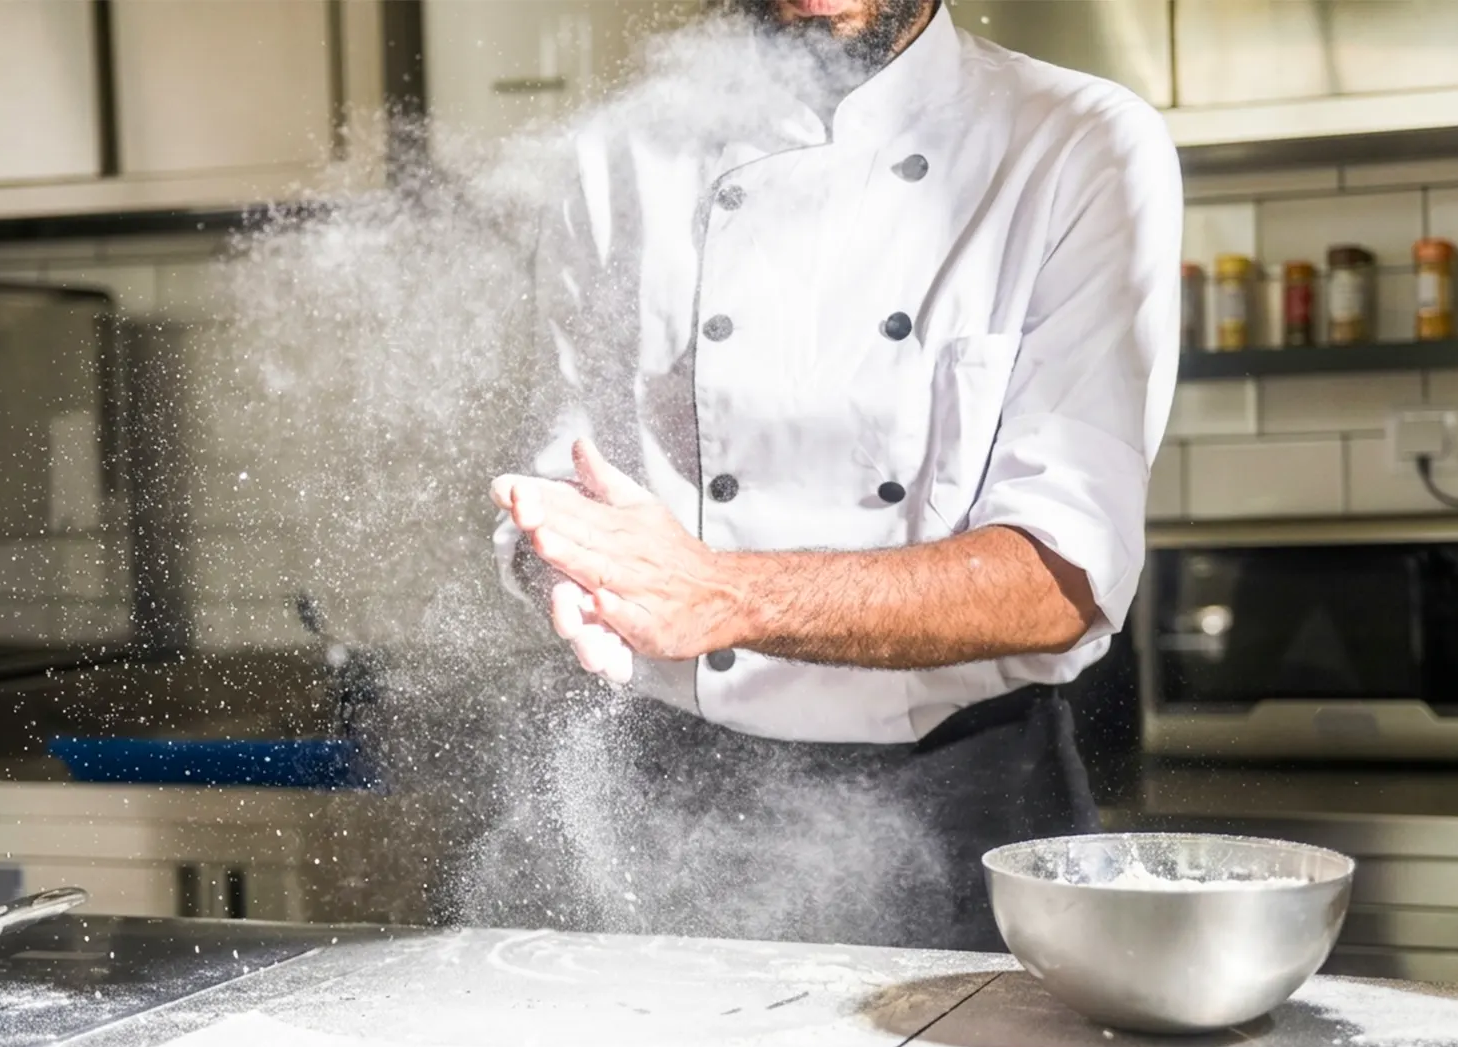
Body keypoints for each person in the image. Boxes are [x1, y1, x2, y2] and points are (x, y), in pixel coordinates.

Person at [488, 0, 1181, 951]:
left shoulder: (1074, 141)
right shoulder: (615, 158)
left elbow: (1059, 581)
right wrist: (564, 567)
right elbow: (564, 481)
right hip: (669, 797)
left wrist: (723, 597)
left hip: (962, 804)